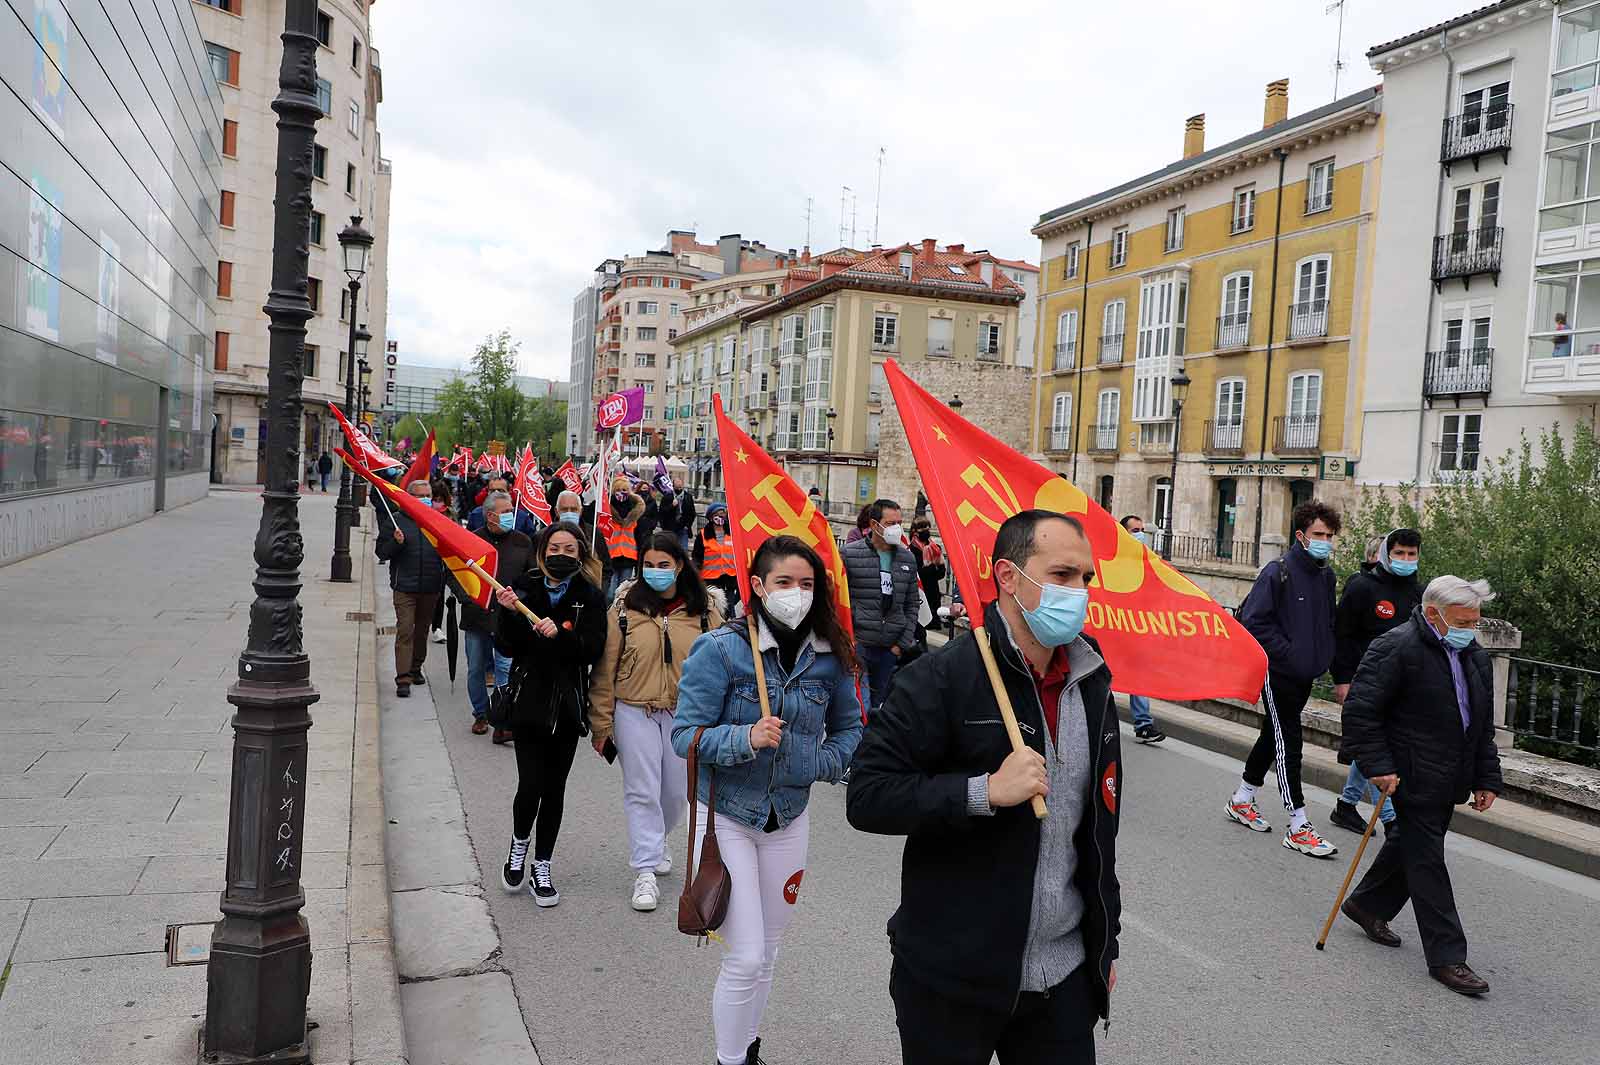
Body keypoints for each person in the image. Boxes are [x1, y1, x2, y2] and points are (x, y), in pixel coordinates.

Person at [847, 510, 1121, 1065]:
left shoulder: (1093, 683)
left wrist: (1104, 942)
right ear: (1008, 576)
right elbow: (869, 795)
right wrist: (983, 792)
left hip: (1063, 980)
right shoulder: (941, 677)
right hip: (953, 978)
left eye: (1086, 579)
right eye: (1063, 575)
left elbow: (1096, 833)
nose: (1079, 592)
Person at [673, 535, 863, 1065]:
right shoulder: (721, 650)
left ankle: (746, 1045)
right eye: (784, 583)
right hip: (726, 815)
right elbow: (684, 736)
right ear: (757, 586)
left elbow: (851, 732)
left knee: (769, 954)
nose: (795, 594)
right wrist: (745, 738)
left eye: (806, 584)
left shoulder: (832, 655)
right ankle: (728, 1059)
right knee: (746, 955)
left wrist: (814, 765)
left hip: (789, 820)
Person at [1338, 576, 1503, 996]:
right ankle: (1448, 957)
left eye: (1476, 621)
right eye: (1464, 620)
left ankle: (1366, 904)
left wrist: (1486, 777)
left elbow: (1480, 726)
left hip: (1450, 777)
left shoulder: (1475, 657)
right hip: (1409, 774)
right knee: (1428, 860)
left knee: (1409, 847)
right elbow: (1361, 712)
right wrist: (1377, 766)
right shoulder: (1395, 647)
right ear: (1433, 614)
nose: (1472, 629)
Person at [589, 534, 726, 912]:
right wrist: (601, 724)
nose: (656, 572)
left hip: (687, 715)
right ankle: (645, 870)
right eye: (648, 565)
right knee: (641, 791)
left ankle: (656, 839)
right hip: (634, 710)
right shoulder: (624, 607)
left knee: (676, 792)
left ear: (680, 565)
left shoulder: (706, 610)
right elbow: (605, 667)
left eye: (663, 565)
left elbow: (723, 666)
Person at [492, 524, 608, 906]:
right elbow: (507, 646)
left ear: (580, 554)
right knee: (530, 785)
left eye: (569, 548)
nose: (562, 553)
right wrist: (509, 614)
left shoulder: (589, 596)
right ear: (542, 552)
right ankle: (519, 845)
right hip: (529, 701)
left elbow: (591, 650)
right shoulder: (523, 588)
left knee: (554, 789)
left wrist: (562, 635)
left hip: (567, 706)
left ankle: (543, 864)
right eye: (555, 546)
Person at [1226, 499, 1341, 857]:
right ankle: (1298, 822)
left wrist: (1327, 665)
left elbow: (1326, 625)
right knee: (1288, 740)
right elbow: (1254, 624)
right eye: (1319, 534)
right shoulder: (1277, 572)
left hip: (1305, 674)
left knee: (1271, 733)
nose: (1325, 540)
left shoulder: (1326, 576)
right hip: (1277, 672)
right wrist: (1290, 654)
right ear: (1301, 536)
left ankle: (1243, 798)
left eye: (1330, 534)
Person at [1329, 529, 1422, 835]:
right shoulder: (1362, 587)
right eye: (1399, 554)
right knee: (1382, 747)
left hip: (1402, 686)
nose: (1406, 560)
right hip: (1364, 682)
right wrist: (1342, 679)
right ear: (1386, 554)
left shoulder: (1418, 594)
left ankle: (1346, 805)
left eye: (1412, 554)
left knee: (1377, 745)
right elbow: (1342, 634)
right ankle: (1392, 821)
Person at [453, 491, 533, 741]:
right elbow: (455, 575)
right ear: (490, 516)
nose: (512, 515)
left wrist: (517, 598)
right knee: (476, 667)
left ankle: (502, 716)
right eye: (506, 511)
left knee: (505, 667)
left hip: (508, 618)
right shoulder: (471, 541)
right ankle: (480, 713)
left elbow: (531, 576)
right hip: (477, 617)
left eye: (511, 510)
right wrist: (469, 597)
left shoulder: (523, 542)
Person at [842, 499, 920, 713]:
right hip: (860, 646)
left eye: (899, 522)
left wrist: (900, 645)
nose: (897, 528)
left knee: (878, 707)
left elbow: (912, 604)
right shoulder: (850, 555)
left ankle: (870, 745)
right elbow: (839, 603)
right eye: (891, 522)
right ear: (875, 524)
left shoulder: (907, 558)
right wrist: (851, 641)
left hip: (889, 648)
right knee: (860, 705)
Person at [375, 479, 445, 698]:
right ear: (408, 498)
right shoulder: (395, 522)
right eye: (419, 495)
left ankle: (416, 668)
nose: (425, 499)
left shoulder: (438, 521)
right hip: (404, 586)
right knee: (405, 629)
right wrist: (396, 543)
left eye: (428, 495)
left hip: (431, 586)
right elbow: (381, 553)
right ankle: (403, 677)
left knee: (422, 630)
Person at [1113, 515, 1167, 744]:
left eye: (1142, 530)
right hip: (1113, 629)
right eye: (1135, 530)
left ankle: (1143, 724)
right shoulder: (1111, 562)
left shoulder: (1149, 563)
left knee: (1138, 675)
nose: (1140, 534)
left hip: (1135, 630)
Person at [694, 502, 741, 615]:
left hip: (729, 578)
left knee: (730, 608)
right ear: (711, 517)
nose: (721, 517)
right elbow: (697, 557)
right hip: (710, 578)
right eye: (718, 514)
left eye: (723, 514)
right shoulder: (703, 534)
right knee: (713, 607)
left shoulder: (732, 533)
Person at [604, 477, 645, 601]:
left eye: (624, 490)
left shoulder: (634, 512)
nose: (621, 492)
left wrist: (640, 560)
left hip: (628, 558)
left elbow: (639, 538)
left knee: (623, 593)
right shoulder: (607, 510)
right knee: (610, 593)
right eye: (618, 490)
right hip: (611, 557)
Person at [910, 519, 947, 631]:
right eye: (923, 528)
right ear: (915, 531)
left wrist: (935, 568)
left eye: (928, 527)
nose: (926, 530)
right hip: (920, 594)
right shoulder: (912, 549)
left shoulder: (935, 548)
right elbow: (918, 573)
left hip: (933, 594)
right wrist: (932, 568)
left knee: (933, 626)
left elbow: (941, 573)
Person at [673, 476, 698, 551]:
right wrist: (671, 506)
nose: (679, 489)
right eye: (677, 487)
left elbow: (692, 513)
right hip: (672, 527)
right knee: (672, 550)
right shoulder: (669, 496)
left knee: (684, 550)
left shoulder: (688, 497)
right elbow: (663, 512)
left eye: (681, 487)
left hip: (684, 527)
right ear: (673, 486)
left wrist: (688, 524)